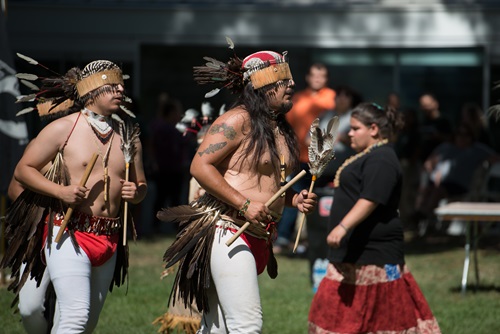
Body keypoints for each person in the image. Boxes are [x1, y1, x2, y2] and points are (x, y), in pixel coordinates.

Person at [159, 48, 318, 333]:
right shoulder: (237, 120)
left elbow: (266, 181)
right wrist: (244, 204)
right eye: (283, 79)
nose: (292, 84)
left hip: (257, 233)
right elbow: (199, 166)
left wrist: (292, 199)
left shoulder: (278, 126)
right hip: (227, 229)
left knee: (217, 330)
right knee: (247, 325)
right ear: (261, 83)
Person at [1, 59, 147, 333]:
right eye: (112, 86)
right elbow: (22, 171)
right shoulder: (62, 129)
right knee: (70, 315)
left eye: (122, 86)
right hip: (67, 231)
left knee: (86, 322)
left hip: (110, 238)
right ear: (91, 90)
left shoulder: (129, 136)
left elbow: (140, 186)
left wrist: (137, 192)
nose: (120, 90)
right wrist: (60, 192)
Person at [309, 102, 440, 333]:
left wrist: (342, 227)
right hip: (355, 253)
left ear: (373, 129)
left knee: (383, 319)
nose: (349, 133)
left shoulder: (382, 158)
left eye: (355, 128)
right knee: (343, 314)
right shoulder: (368, 156)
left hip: (374, 254)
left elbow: (371, 198)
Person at [278, 63, 335, 252]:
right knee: (294, 195)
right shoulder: (297, 98)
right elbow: (288, 127)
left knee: (321, 200)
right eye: (315, 75)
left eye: (322, 76)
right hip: (299, 157)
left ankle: (318, 238)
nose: (318, 79)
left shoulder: (333, 99)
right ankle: (284, 238)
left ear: (326, 78)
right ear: (309, 78)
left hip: (324, 159)